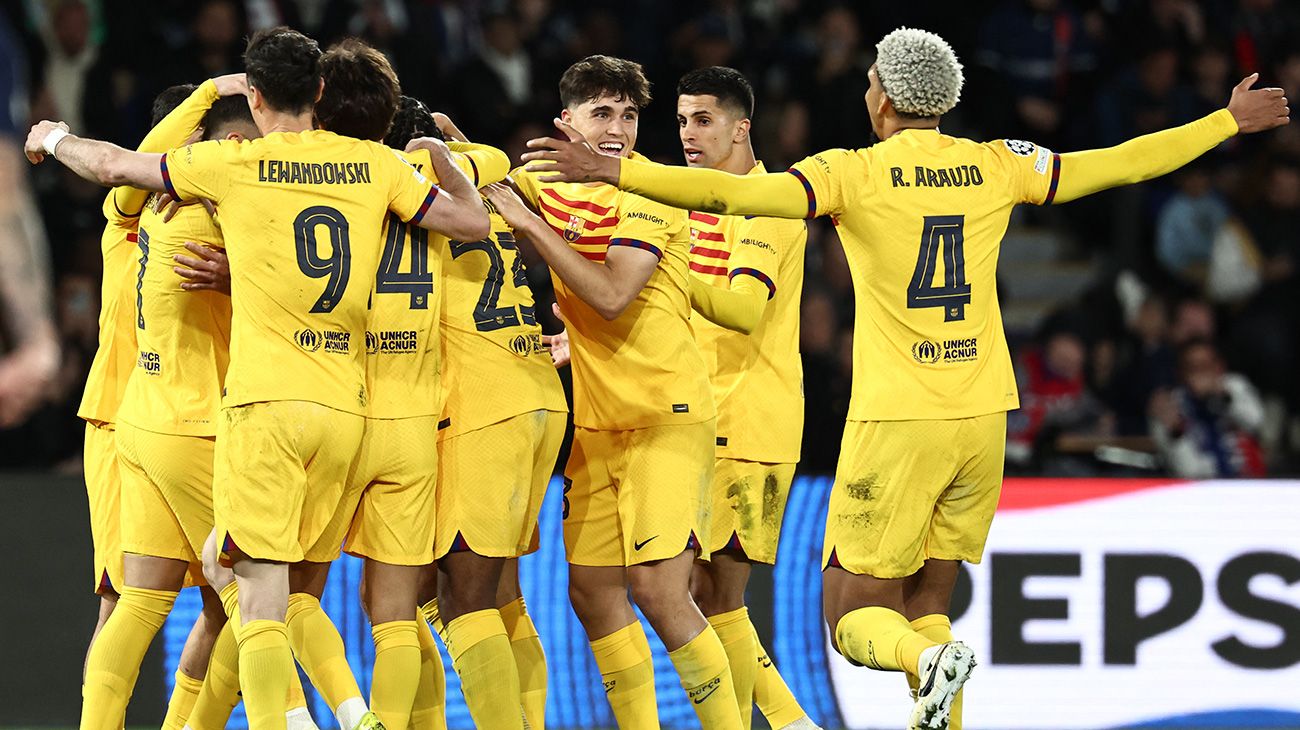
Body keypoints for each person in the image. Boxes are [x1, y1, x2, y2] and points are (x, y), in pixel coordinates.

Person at [521, 27, 1290, 730]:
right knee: (930, 602)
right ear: (946, 102)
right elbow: (1119, 165)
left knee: (850, 621)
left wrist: (615, 172)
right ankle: (939, 688)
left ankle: (922, 665)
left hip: (899, 419)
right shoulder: (999, 163)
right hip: (986, 414)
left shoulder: (853, 173)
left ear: (883, 97)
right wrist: (1225, 121)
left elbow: (735, 193)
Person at [27, 26, 489, 730]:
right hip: (350, 410)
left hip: (229, 413)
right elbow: (471, 222)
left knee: (244, 598)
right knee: (314, 601)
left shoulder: (228, 171)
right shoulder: (372, 166)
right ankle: (357, 714)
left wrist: (56, 139)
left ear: (259, 97)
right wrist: (448, 160)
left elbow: (118, 165)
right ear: (323, 92)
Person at [485, 54, 743, 728]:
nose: (618, 128)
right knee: (593, 592)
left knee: (660, 592)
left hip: (666, 415)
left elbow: (609, 294)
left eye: (629, 115)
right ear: (564, 122)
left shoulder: (651, 192)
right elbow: (479, 186)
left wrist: (530, 225)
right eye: (602, 112)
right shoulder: (548, 188)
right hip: (597, 429)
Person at [72, 77, 250, 730]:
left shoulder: (222, 215)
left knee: (209, 599)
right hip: (127, 413)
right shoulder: (144, 206)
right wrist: (207, 94)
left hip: (200, 413)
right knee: (127, 598)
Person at [384, 98, 566, 730]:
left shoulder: (402, 187)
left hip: (479, 407)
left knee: (462, 603)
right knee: (500, 595)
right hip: (535, 392)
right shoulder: (485, 169)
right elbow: (475, 151)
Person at [673, 66, 818, 730]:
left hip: (752, 419)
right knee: (704, 595)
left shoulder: (771, 201)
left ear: (742, 127)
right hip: (703, 417)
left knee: (719, 598)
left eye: (702, 120)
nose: (688, 135)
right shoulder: (693, 201)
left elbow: (743, 308)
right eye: (680, 121)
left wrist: (666, 274)